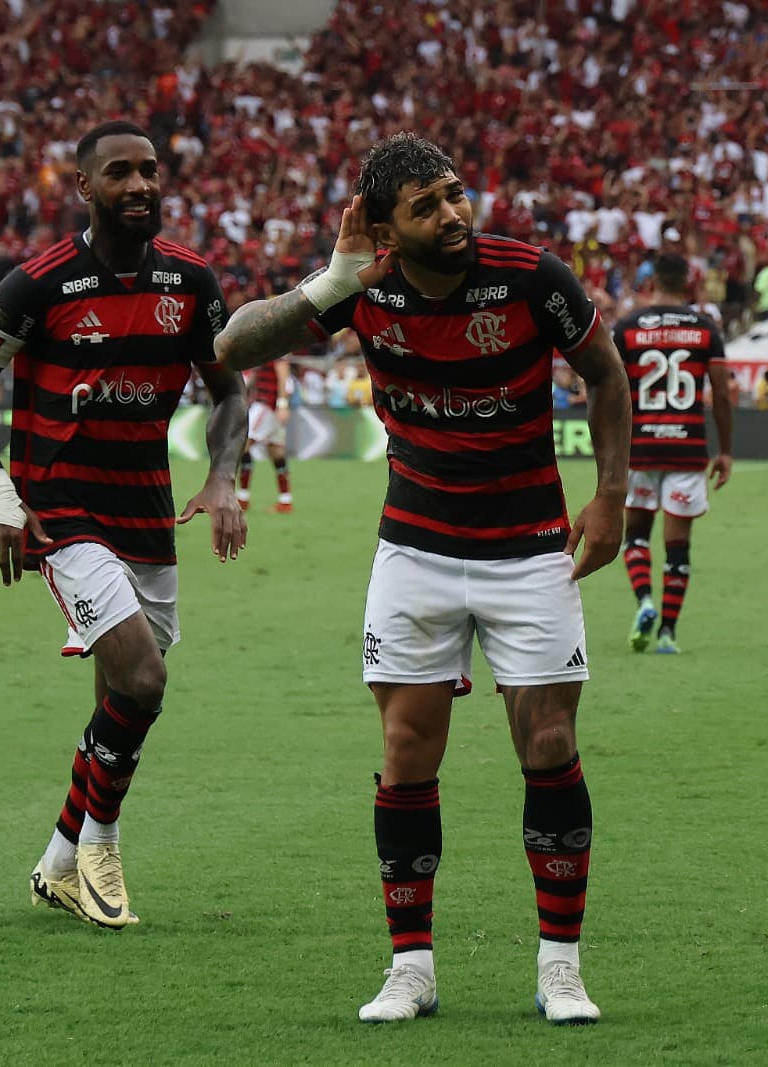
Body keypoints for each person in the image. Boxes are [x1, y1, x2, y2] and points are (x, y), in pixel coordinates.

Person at [213, 133, 631, 1027]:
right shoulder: (366, 288)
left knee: (548, 743)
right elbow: (232, 348)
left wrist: (612, 497)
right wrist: (332, 282)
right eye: (427, 205)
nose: (453, 213)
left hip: (529, 548)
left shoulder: (531, 277)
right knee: (407, 750)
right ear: (385, 229)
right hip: (415, 549)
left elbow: (604, 372)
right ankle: (412, 968)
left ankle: (561, 964)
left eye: (454, 193)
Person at [0, 120, 248, 930]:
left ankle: (58, 860)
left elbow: (231, 389)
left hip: (145, 510)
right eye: (120, 173)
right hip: (63, 508)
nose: (141, 185)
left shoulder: (191, 282)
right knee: (143, 680)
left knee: (122, 695)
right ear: (85, 188)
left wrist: (221, 476)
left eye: (150, 170)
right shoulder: (37, 284)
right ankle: (102, 843)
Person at [611, 254, 733, 655]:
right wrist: (727, 450)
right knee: (677, 545)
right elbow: (721, 396)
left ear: (650, 282)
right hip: (687, 447)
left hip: (641, 448)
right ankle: (667, 634)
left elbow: (609, 392)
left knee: (637, 536)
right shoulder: (705, 330)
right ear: (688, 283)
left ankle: (644, 600)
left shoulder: (627, 328)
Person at [237, 357, 294, 513]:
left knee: (243, 443)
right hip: (268, 404)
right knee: (276, 450)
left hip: (267, 404)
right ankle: (285, 501)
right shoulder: (267, 349)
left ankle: (242, 498)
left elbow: (283, 376)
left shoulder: (278, 349)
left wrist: (282, 404)